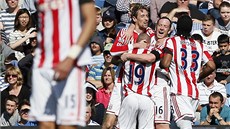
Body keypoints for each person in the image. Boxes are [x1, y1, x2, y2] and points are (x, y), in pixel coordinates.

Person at [29, 1, 96, 129]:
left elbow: (91, 20)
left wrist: (71, 57)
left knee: (67, 124)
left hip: (69, 64)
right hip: (42, 63)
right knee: (45, 124)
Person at [160, 15, 216, 129]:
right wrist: (199, 77)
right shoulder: (199, 45)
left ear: (177, 27)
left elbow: (165, 63)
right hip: (194, 93)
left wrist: (159, 62)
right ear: (190, 28)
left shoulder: (172, 41)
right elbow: (211, 65)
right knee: (175, 124)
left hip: (179, 92)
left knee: (184, 124)